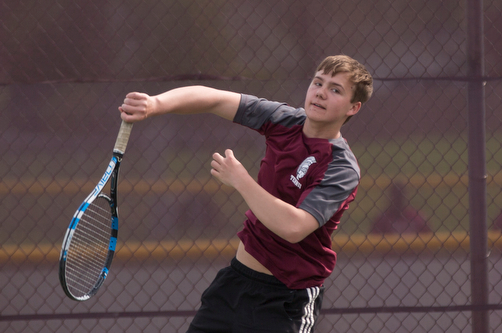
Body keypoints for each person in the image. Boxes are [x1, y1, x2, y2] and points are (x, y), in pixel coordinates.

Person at [119, 55, 373, 333]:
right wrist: (156, 104)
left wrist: (241, 180)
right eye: (318, 82)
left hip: (285, 301)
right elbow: (213, 98)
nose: (321, 92)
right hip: (234, 283)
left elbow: (294, 226)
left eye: (335, 89)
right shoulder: (284, 120)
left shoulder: (341, 167)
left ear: (354, 107)